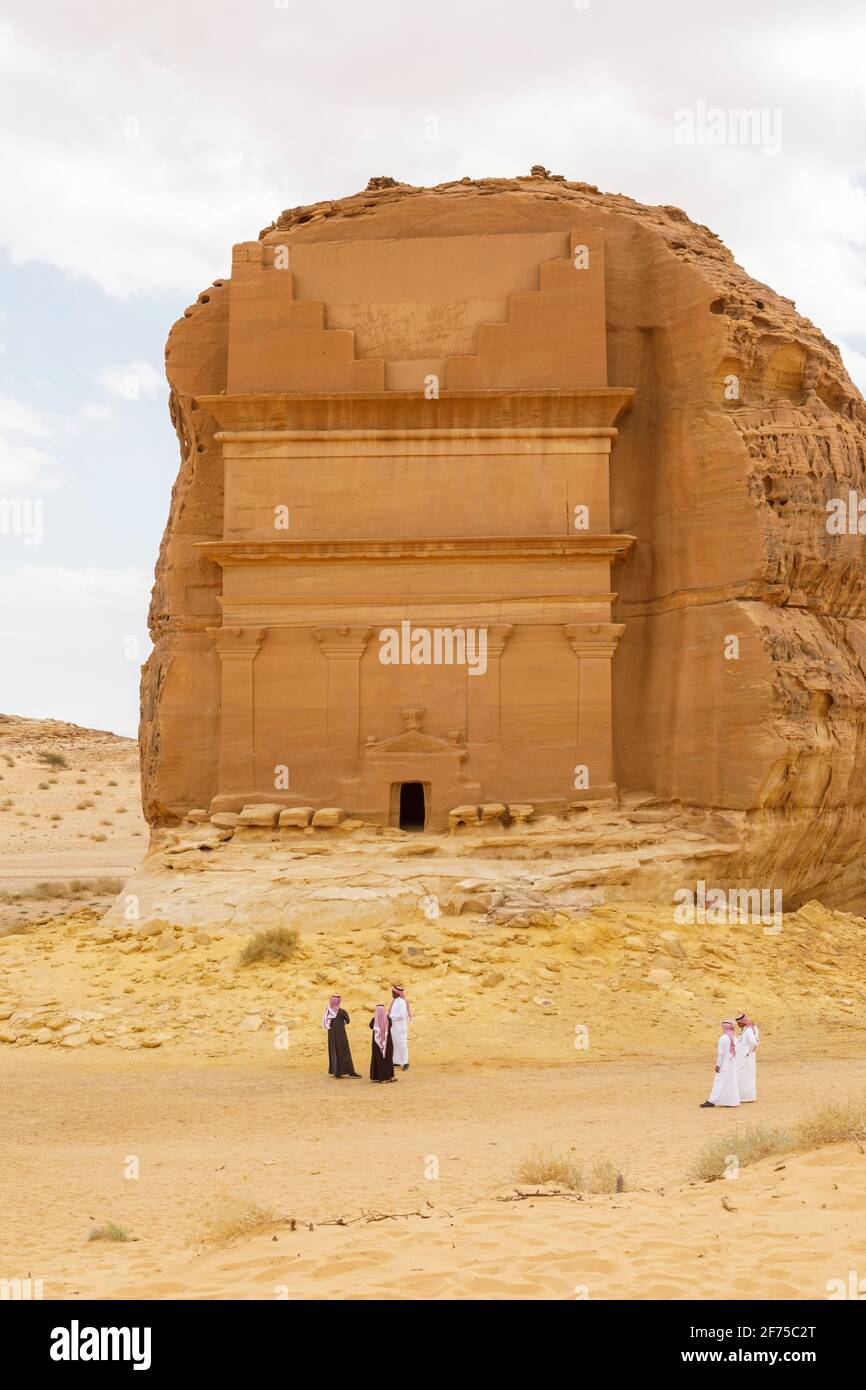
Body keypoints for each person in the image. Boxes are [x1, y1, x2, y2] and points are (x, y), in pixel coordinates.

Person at [700, 1020, 740, 1108]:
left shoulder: (723, 1038)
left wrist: (718, 1065)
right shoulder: (735, 1038)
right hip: (732, 1064)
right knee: (731, 1082)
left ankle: (711, 1101)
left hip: (724, 1065)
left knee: (718, 1082)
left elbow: (721, 1053)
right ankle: (730, 1102)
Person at [322, 994, 360, 1078]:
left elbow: (326, 1022)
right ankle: (350, 1072)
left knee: (334, 1051)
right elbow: (348, 1020)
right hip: (341, 1035)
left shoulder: (328, 1011)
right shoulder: (342, 1011)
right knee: (344, 1051)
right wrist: (341, 1024)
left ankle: (337, 1072)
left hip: (331, 1036)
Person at [735, 1012, 760, 1103]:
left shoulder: (749, 1030)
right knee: (744, 1076)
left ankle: (745, 1097)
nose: (737, 1025)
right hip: (744, 1057)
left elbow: (754, 1042)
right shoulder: (746, 1029)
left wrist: (748, 1053)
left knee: (743, 1076)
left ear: (743, 1022)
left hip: (745, 1057)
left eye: (738, 1023)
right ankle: (746, 1097)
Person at [369, 1003, 396, 1082]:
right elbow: (390, 1025)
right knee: (387, 1058)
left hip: (377, 1044)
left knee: (378, 1059)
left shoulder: (374, 1020)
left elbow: (370, 1026)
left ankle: (377, 1077)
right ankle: (388, 1077)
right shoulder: (388, 1019)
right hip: (387, 1043)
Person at [388, 984, 411, 1071]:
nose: (392, 994)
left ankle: (405, 1062)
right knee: (395, 1043)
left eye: (393, 992)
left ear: (397, 993)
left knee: (402, 1044)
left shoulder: (401, 1002)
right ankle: (396, 1061)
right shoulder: (394, 1001)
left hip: (400, 1028)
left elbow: (402, 1015)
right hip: (394, 1027)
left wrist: (391, 1017)